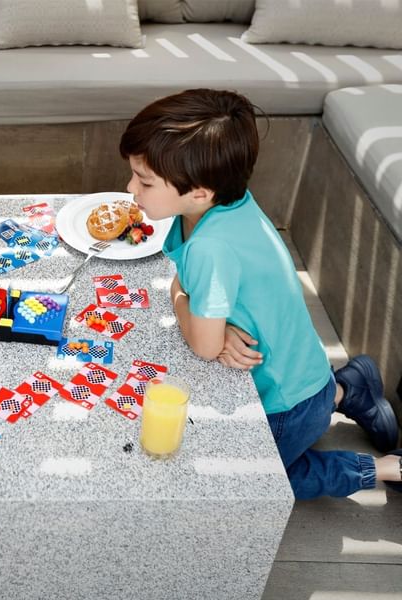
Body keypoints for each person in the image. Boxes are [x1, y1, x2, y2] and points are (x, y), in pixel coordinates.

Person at [118, 88, 401, 499]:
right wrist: (200, 308)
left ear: (199, 191)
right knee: (308, 409)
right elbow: (199, 297)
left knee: (252, 484)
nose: (130, 188)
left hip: (284, 406)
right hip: (305, 375)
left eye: (144, 180)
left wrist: (183, 301)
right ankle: (346, 390)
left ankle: (384, 468)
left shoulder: (210, 247)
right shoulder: (230, 204)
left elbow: (203, 343)